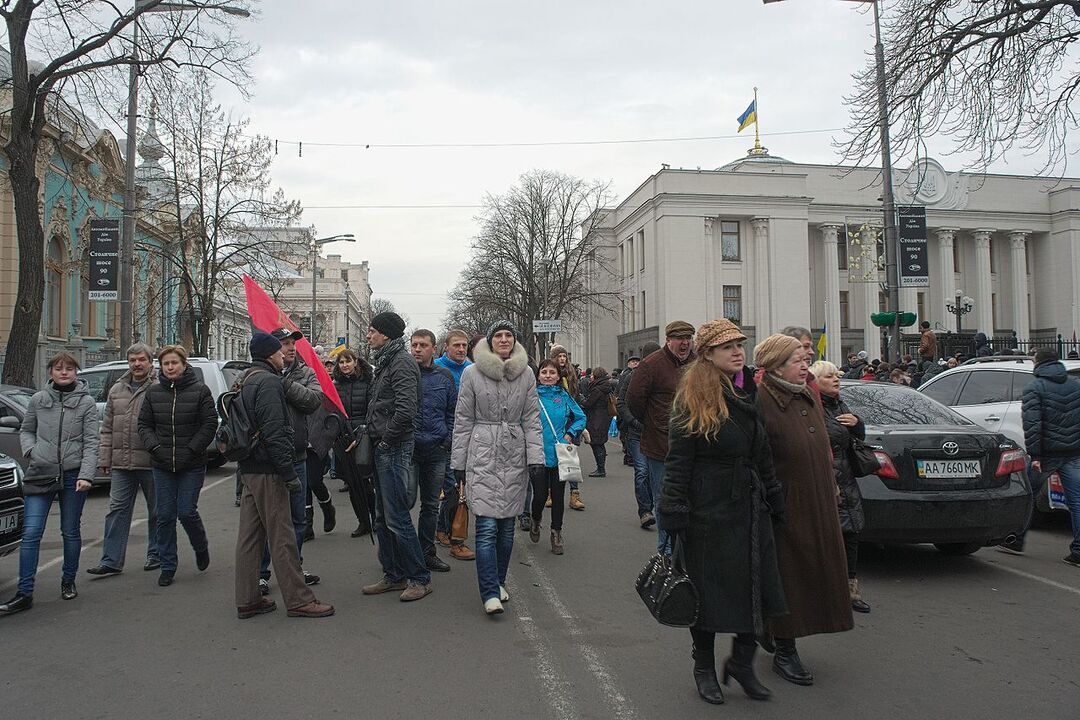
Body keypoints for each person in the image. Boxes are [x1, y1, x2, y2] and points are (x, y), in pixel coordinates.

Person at [659, 319, 786, 705]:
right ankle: (704, 667)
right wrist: (674, 508)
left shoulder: (749, 391)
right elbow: (678, 460)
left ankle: (743, 663)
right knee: (709, 594)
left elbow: (761, 451)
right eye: (727, 346)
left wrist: (774, 496)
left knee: (756, 587)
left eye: (740, 345)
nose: (737, 352)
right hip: (707, 509)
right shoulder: (693, 397)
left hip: (748, 506)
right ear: (708, 355)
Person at [754, 334, 853, 686]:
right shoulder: (762, 400)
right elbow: (755, 458)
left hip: (819, 500)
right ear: (778, 365)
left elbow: (827, 442)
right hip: (785, 506)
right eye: (797, 359)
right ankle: (785, 648)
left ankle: (772, 630)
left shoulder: (808, 394)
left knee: (814, 572)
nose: (805, 365)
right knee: (789, 578)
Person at [234, 332, 334, 619]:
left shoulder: (246, 377)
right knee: (283, 536)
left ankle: (248, 598)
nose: (284, 354)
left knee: (250, 537)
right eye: (279, 351)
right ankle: (299, 599)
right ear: (269, 354)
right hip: (269, 470)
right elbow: (275, 433)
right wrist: (288, 472)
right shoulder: (268, 382)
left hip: (250, 468)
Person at [451, 320, 544, 615]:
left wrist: (535, 458)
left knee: (506, 527)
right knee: (487, 525)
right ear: (490, 342)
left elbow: (531, 418)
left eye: (508, 335)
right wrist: (459, 462)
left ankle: (499, 582)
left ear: (514, 341)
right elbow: (463, 419)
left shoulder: (526, 372)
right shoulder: (472, 372)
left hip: (514, 452)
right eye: (498, 336)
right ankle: (489, 591)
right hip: (482, 451)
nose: (503, 340)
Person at [0, 353, 98, 616]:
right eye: (58, 368)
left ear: (76, 372)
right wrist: (32, 451)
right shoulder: (38, 400)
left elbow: (91, 442)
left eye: (69, 368)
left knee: (70, 530)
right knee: (31, 533)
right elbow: (26, 429)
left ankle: (68, 580)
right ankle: (24, 592)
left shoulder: (86, 403)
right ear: (51, 372)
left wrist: (86, 474)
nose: (64, 372)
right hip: (41, 471)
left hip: (72, 474)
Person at [361, 311, 432, 602]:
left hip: (393, 447)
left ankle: (419, 578)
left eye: (373, 330)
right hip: (384, 445)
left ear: (386, 334)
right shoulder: (387, 361)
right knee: (382, 517)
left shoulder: (400, 363)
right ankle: (393, 575)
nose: (369, 335)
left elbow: (406, 410)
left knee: (397, 517)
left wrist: (386, 440)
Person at [137, 345, 216, 588]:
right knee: (164, 515)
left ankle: (200, 546)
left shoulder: (200, 391)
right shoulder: (153, 393)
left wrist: (192, 449)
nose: (170, 368)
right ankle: (168, 565)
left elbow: (209, 424)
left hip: (191, 463)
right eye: (166, 364)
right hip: (162, 463)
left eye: (174, 363)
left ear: (184, 365)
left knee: (186, 512)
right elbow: (144, 425)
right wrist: (155, 448)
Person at [86, 343, 160, 577]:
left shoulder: (159, 388)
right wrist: (104, 457)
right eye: (133, 360)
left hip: (151, 462)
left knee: (157, 511)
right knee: (116, 510)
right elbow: (107, 428)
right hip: (121, 462)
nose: (137, 364)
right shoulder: (117, 389)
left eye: (141, 360)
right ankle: (111, 560)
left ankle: (156, 554)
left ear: (150, 362)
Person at [626, 320, 696, 553]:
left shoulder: (698, 363)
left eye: (688, 338)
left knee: (690, 500)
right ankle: (665, 554)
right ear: (669, 340)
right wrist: (654, 422)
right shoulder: (651, 364)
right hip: (660, 446)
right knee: (665, 500)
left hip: (694, 445)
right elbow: (634, 400)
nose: (685, 343)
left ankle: (685, 552)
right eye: (680, 338)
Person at [810, 360, 872, 614]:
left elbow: (857, 437)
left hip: (845, 477)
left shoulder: (840, 404)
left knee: (851, 534)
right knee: (826, 536)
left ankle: (850, 589)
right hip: (826, 477)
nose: (836, 380)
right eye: (829, 377)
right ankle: (825, 590)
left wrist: (857, 424)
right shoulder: (813, 406)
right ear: (816, 382)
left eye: (837, 375)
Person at [1019, 348, 1080, 566]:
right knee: (1077, 502)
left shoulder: (1035, 387)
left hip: (1046, 455)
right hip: (1073, 452)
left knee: (1027, 495)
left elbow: (1033, 425)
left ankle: (1015, 538)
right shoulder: (1076, 385)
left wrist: (1035, 455)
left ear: (1038, 363)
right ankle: (1079, 550)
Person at [409, 329, 457, 573]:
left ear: (433, 348)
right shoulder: (405, 374)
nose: (417, 349)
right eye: (414, 344)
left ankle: (427, 552)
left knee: (430, 505)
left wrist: (447, 440)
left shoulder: (444, 376)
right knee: (404, 501)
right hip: (408, 451)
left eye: (422, 345)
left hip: (437, 450)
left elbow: (452, 412)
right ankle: (406, 553)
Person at [531, 358, 586, 555]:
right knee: (538, 496)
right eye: (544, 372)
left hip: (560, 454)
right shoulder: (531, 396)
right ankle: (535, 520)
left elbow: (580, 416)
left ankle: (556, 532)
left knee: (557, 496)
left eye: (552, 373)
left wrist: (570, 434)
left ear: (558, 376)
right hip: (537, 454)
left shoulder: (563, 396)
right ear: (538, 375)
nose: (548, 376)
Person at [434, 330, 476, 561]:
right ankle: (450, 533)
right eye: (457, 345)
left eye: (464, 346)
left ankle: (445, 529)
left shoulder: (472, 369)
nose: (461, 349)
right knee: (452, 488)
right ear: (446, 347)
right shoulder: (439, 368)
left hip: (469, 437)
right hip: (444, 438)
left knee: (460, 488)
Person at [332, 348, 375, 538]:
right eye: (341, 362)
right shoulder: (336, 386)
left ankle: (375, 518)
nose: (345, 365)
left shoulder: (367, 383)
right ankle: (363, 522)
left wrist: (362, 434)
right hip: (343, 438)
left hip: (363, 437)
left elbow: (372, 411)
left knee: (366, 483)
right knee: (353, 484)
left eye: (348, 361)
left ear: (355, 362)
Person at [617, 347, 659, 528]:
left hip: (659, 434)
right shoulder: (631, 376)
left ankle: (658, 508)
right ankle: (645, 511)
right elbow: (621, 402)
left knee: (656, 474)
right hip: (637, 433)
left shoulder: (663, 375)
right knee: (642, 471)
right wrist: (633, 422)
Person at [550, 344, 585, 510]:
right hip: (554, 422)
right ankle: (550, 493)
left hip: (570, 423)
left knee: (570, 459)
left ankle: (574, 495)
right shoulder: (549, 374)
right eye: (559, 356)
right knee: (552, 460)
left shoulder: (572, 375)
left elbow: (576, 401)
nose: (562, 359)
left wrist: (580, 427)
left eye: (564, 356)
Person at [582, 366, 613, 478]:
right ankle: (601, 468)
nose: (590, 377)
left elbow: (589, 403)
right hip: (604, 416)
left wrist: (582, 399)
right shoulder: (606, 386)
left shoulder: (597, 389)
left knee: (596, 443)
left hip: (596, 418)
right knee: (600, 442)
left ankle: (601, 469)